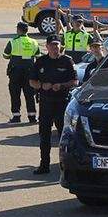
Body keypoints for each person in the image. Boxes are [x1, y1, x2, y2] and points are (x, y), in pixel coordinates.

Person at [30, 36, 78, 175]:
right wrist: (41, 85)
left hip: (62, 103)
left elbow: (75, 81)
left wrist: (62, 85)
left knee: (65, 136)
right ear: (47, 46)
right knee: (44, 135)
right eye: (52, 45)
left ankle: (66, 165)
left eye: (57, 45)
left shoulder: (67, 61)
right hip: (45, 103)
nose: (55, 48)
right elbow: (32, 81)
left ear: (60, 46)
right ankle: (44, 164)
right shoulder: (40, 61)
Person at [2, 22, 41, 124]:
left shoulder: (13, 42)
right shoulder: (34, 42)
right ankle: (32, 117)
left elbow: (5, 55)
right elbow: (38, 56)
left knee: (15, 94)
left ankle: (16, 116)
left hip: (15, 72)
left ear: (18, 30)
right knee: (30, 94)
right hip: (29, 72)